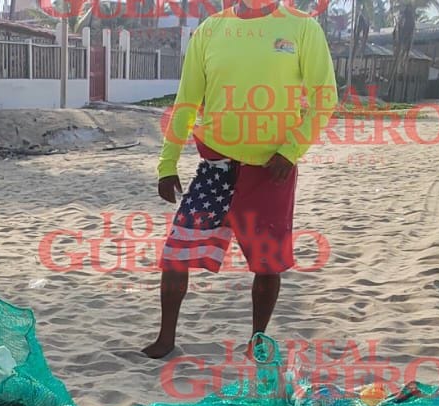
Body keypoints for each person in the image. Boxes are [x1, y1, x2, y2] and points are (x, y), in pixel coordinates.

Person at [144, 0, 336, 360]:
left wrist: (291, 150)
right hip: (216, 166)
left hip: (271, 170)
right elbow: (187, 102)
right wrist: (167, 163)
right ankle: (166, 338)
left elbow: (324, 97)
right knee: (175, 254)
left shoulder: (302, 27)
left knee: (267, 264)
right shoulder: (211, 30)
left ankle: (257, 339)